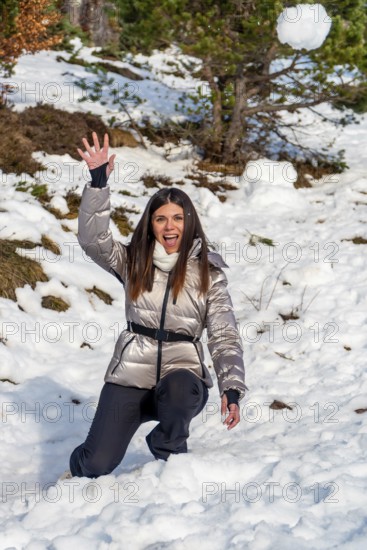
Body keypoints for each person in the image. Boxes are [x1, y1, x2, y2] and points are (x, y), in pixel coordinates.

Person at [69, 132, 247, 478]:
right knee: (97, 463)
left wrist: (232, 388)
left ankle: (169, 452)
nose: (170, 226)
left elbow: (224, 336)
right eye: (161, 218)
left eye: (178, 218)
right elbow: (93, 239)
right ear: (150, 224)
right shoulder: (132, 261)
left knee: (180, 389)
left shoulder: (209, 274)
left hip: (181, 378)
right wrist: (98, 183)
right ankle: (76, 472)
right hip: (131, 374)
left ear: (189, 222)